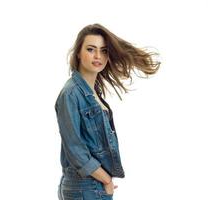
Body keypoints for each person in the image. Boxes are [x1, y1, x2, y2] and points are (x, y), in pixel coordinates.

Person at [55, 23, 160, 200]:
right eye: (91, 49)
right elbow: (75, 148)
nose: (98, 56)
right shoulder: (71, 93)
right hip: (85, 188)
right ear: (78, 54)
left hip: (91, 186)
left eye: (104, 50)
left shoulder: (92, 91)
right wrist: (106, 180)